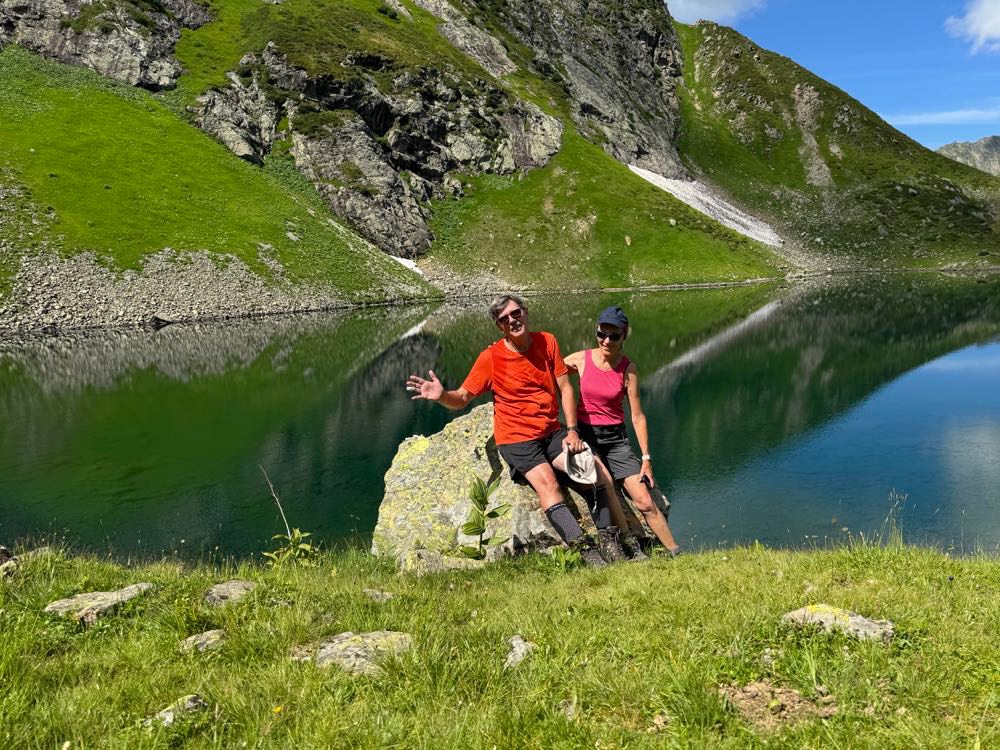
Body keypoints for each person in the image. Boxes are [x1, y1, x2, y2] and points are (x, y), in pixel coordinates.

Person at [405, 294, 627, 566]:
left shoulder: (548, 341)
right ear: (499, 327)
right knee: (549, 484)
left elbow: (565, 387)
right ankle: (587, 552)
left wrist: (572, 430)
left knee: (592, 471)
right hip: (517, 439)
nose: (512, 320)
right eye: (504, 319)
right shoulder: (491, 358)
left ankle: (609, 540)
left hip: (552, 432)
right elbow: (462, 398)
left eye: (516, 313)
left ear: (525, 312)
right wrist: (441, 395)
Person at [565, 305, 682, 558]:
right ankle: (631, 545)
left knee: (645, 501)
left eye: (614, 336)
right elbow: (547, 371)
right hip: (587, 437)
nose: (607, 341)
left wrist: (646, 459)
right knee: (605, 483)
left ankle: (675, 553)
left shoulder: (628, 369)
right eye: (601, 334)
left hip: (616, 440)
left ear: (624, 335)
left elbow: (637, 416)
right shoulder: (580, 359)